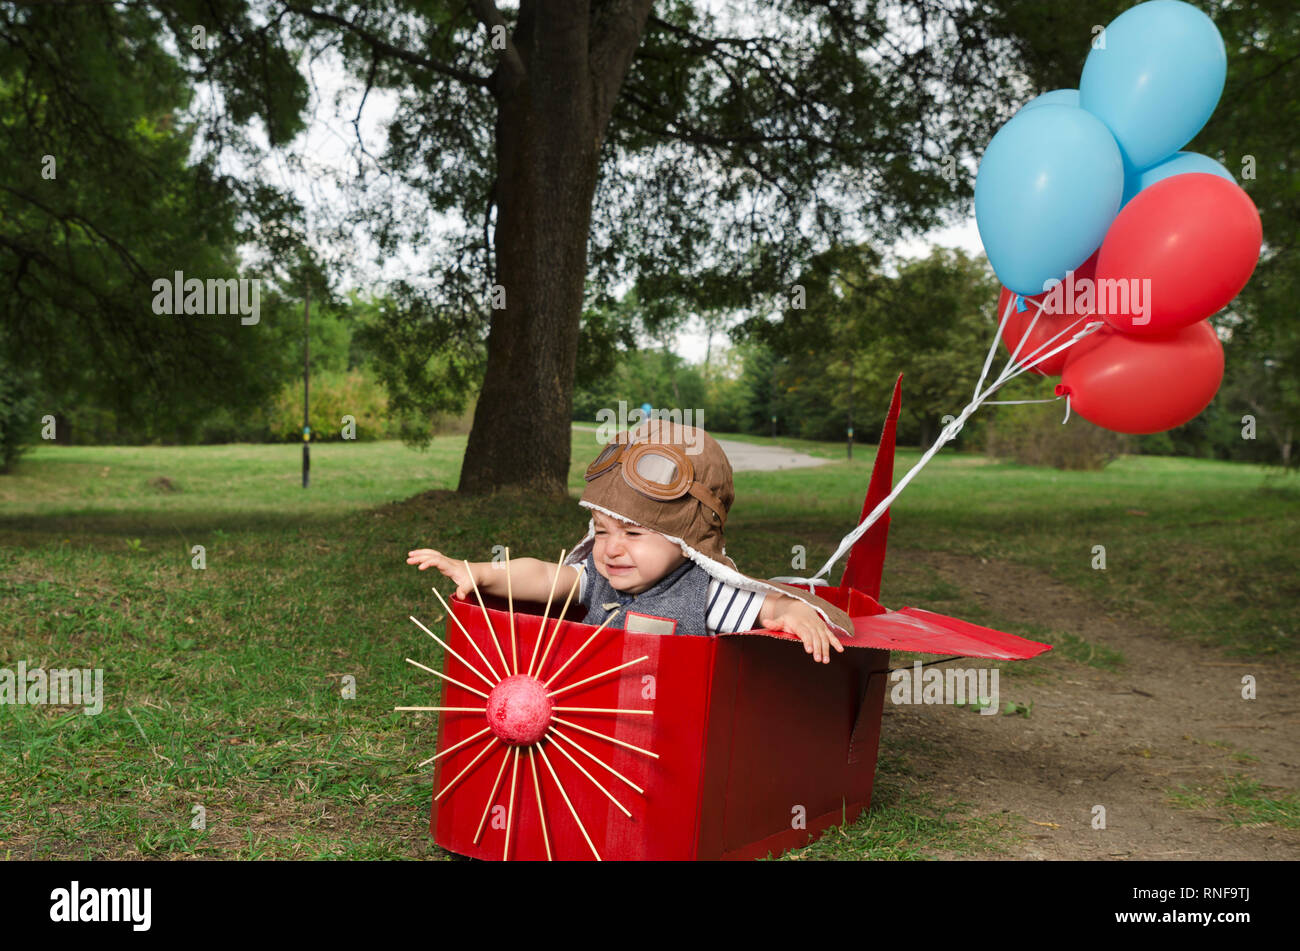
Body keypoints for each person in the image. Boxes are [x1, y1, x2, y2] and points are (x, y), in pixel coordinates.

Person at [407, 419, 852, 663]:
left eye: (634, 533)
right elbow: (544, 574)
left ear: (686, 542)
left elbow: (768, 606)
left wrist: (794, 611)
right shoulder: (598, 577)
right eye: (601, 531)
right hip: (588, 723)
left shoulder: (707, 594)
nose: (612, 548)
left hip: (664, 739)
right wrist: (480, 572)